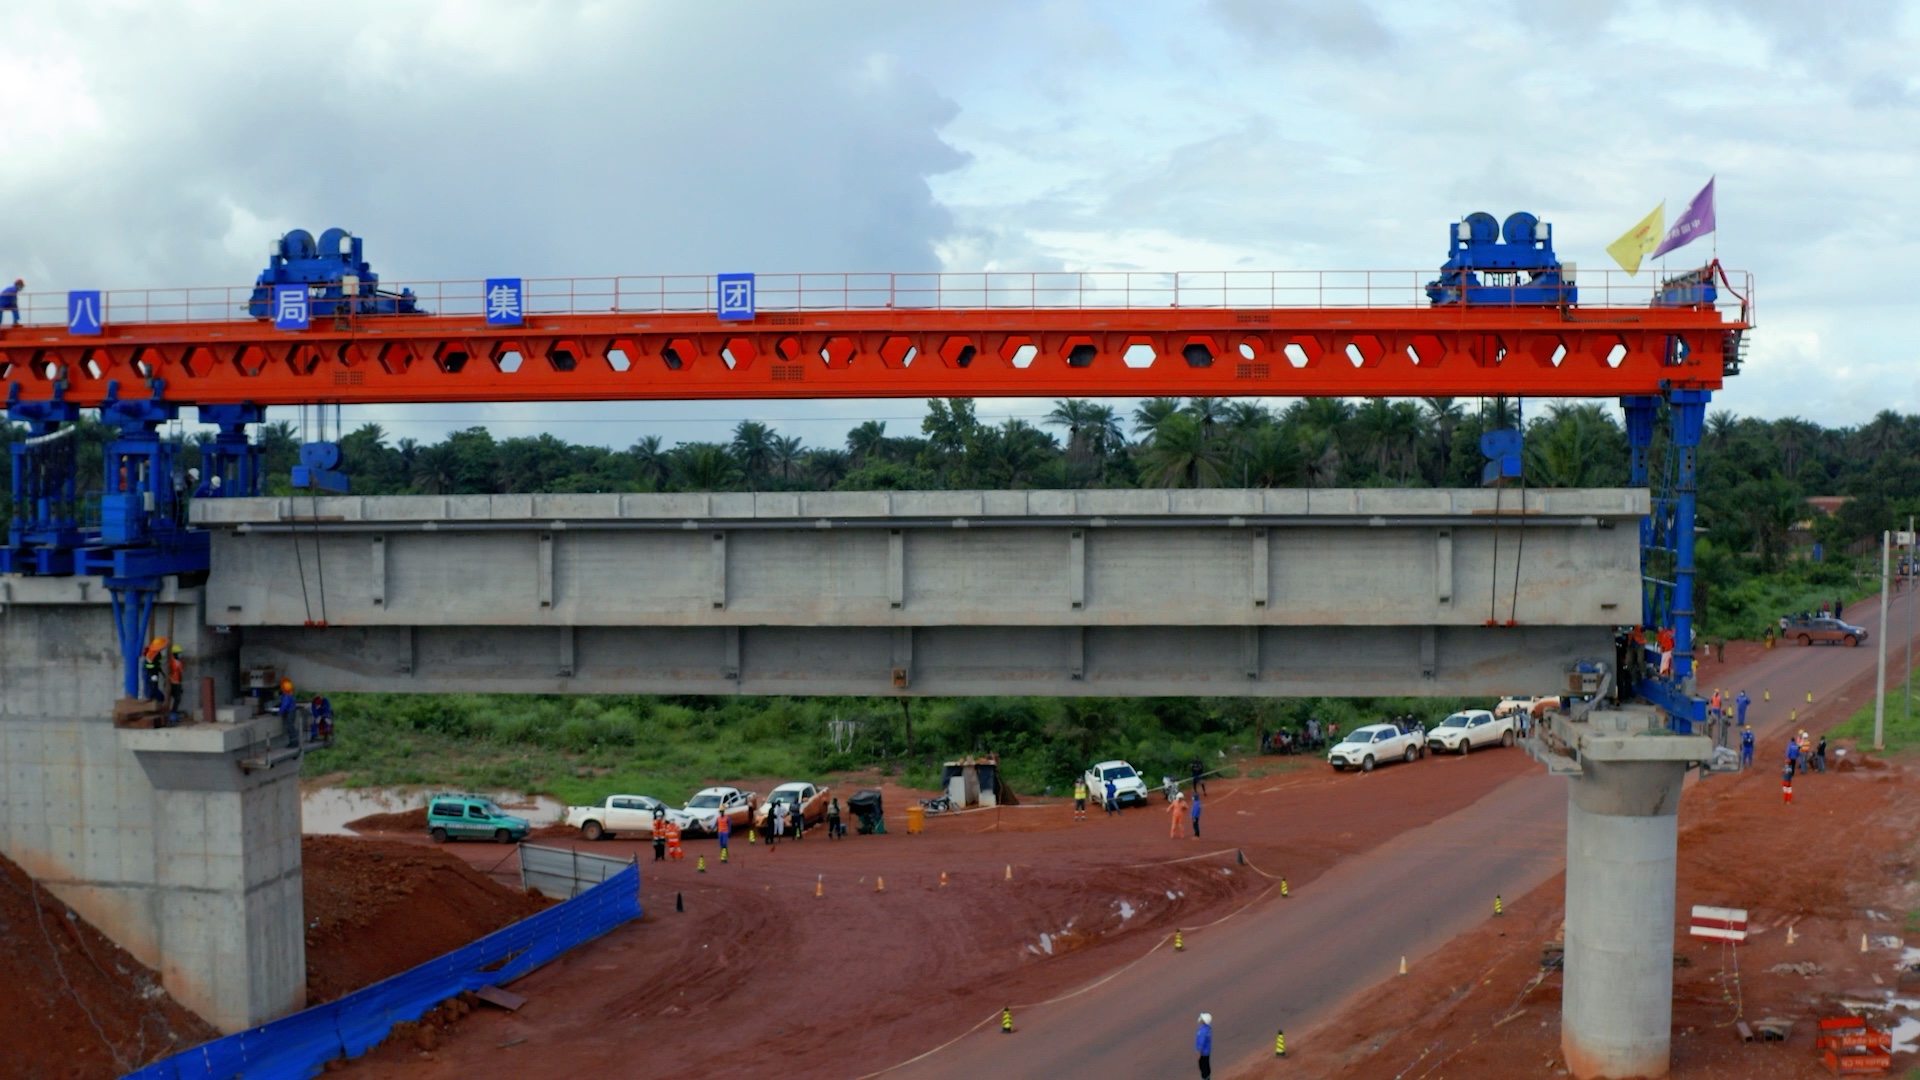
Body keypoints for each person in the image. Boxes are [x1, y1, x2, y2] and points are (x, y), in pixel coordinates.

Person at [276, 678, 299, 746]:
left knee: (290, 727)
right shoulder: (290, 693)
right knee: (291, 727)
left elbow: (284, 705)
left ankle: (294, 742)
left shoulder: (286, 695)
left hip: (290, 712)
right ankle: (293, 742)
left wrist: (279, 712)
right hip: (292, 711)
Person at [166, 645, 184, 719]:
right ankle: (169, 714)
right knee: (168, 699)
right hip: (171, 683)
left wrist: (180, 685)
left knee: (177, 699)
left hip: (177, 683)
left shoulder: (180, 663)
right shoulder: (170, 662)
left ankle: (173, 713)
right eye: (179, 653)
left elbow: (180, 674)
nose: (180, 655)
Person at [1195, 1012, 1213, 1079]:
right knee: (1206, 1066)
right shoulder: (1208, 1028)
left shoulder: (1202, 1030)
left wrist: (1199, 1052)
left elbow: (1201, 1041)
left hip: (1203, 1052)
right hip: (1207, 1051)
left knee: (1203, 1067)